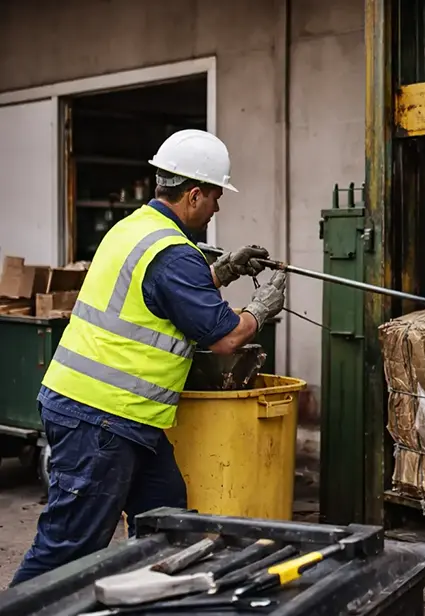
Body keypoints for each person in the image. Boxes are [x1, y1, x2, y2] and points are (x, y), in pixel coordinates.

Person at [9, 129, 287, 586]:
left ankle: (145, 603)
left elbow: (161, 293)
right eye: (216, 197)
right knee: (68, 548)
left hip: (121, 418)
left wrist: (222, 271)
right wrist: (260, 310)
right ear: (194, 194)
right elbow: (224, 337)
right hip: (101, 418)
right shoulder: (172, 253)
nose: (217, 208)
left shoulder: (135, 228)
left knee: (166, 523)